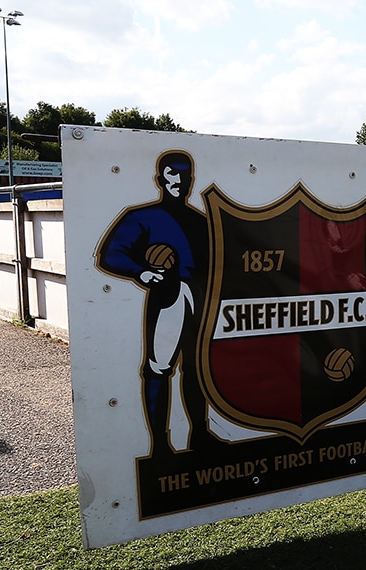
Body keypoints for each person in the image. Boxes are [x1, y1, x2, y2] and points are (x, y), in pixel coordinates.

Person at [96, 150, 215, 456]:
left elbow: (219, 261)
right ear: (160, 178)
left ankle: (200, 434)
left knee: (197, 369)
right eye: (172, 174)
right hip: (168, 297)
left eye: (184, 174)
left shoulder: (201, 221)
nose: (180, 180)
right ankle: (160, 445)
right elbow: (110, 254)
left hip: (201, 297)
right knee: (159, 369)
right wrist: (142, 271)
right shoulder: (142, 217)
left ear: (191, 178)